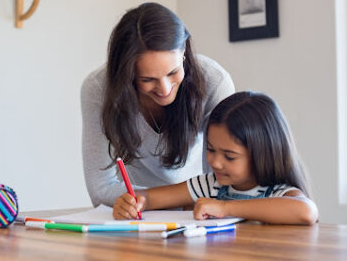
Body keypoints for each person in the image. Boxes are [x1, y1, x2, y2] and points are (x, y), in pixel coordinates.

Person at [81, 2, 235, 207]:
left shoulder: (215, 82)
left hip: (195, 212)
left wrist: (154, 199)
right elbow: (100, 188)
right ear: (126, 75)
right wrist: (183, 197)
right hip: (134, 214)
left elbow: (223, 180)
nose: (164, 89)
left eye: (173, 72)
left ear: (184, 53)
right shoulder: (99, 88)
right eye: (147, 80)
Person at [113, 92, 318, 225]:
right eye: (210, 149)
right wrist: (134, 202)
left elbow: (306, 211)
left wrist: (224, 208)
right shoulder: (208, 185)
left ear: (262, 153)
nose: (215, 163)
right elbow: (150, 198)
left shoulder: (278, 192)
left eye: (230, 156)